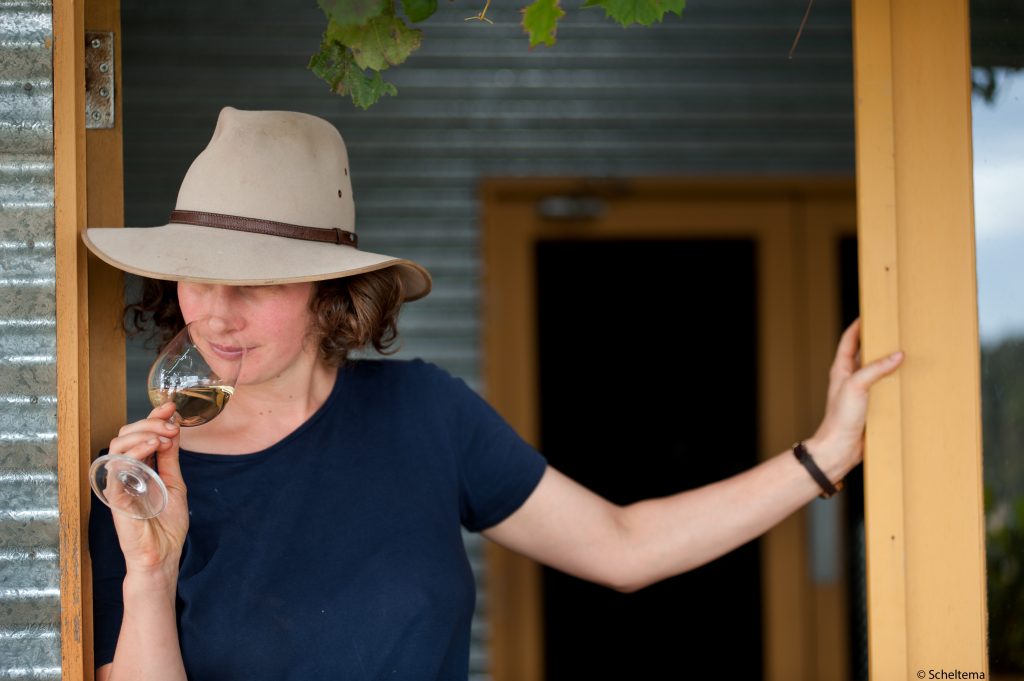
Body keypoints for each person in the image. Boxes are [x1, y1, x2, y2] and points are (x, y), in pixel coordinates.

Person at [83, 107, 905, 681]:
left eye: (252, 284)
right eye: (197, 277)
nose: (213, 313)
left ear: (327, 292)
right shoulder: (143, 479)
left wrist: (825, 452)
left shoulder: (424, 415)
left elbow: (622, 546)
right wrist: (148, 572)